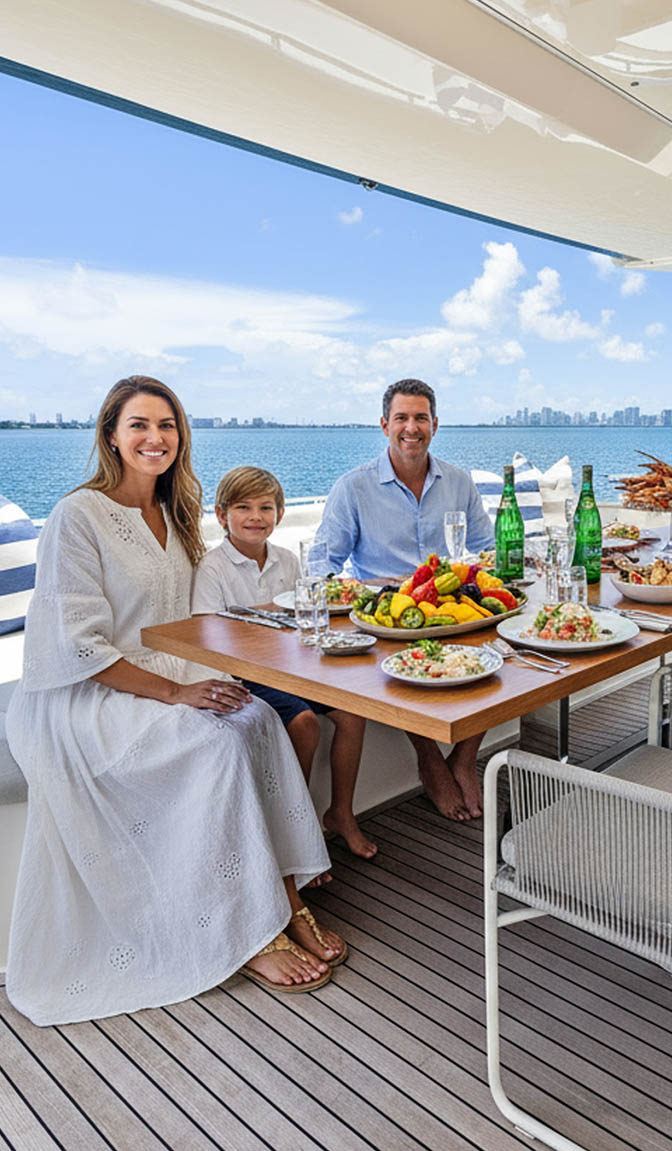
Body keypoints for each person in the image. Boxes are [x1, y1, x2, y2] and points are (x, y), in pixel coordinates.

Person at [4, 376, 346, 1026]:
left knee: (260, 721)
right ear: (111, 434)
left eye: (167, 425)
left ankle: (283, 896)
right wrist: (178, 690)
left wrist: (215, 676)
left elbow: (194, 616)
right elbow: (75, 644)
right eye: (139, 424)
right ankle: (246, 934)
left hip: (173, 668)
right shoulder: (79, 515)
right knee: (216, 741)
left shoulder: (180, 509)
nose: (155, 437)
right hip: (89, 695)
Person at [316, 378, 494, 822]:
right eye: (401, 418)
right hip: (388, 615)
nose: (411, 428)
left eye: (420, 418)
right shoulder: (353, 487)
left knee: (507, 646)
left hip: (452, 607)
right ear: (384, 425)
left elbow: (487, 551)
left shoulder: (458, 481)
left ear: (435, 424)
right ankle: (429, 756)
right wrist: (379, 587)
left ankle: (466, 756)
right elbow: (320, 566)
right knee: (400, 660)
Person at [192, 466, 375, 862]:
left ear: (280, 514)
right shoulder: (213, 568)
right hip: (242, 674)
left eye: (265, 507)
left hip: (287, 668)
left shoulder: (287, 560)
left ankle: (340, 812)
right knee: (305, 723)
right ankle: (297, 832)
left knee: (352, 711)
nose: (255, 517)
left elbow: (299, 619)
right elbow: (206, 639)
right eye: (243, 507)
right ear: (222, 516)